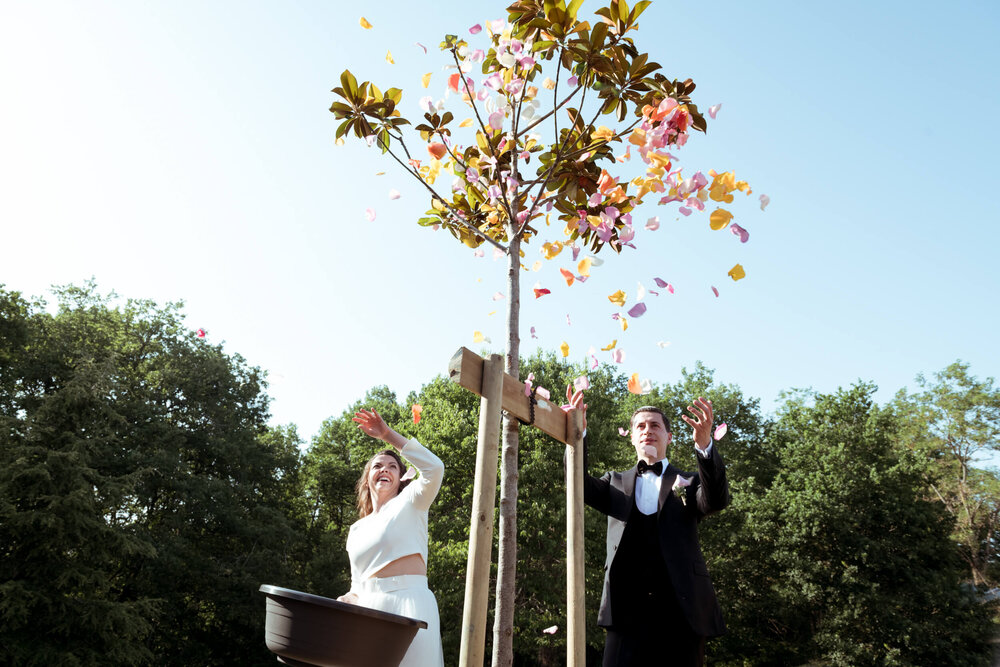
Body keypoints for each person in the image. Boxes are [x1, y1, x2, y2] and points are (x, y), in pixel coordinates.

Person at [573, 394, 729, 667]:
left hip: (682, 613)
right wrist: (578, 432)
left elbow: (716, 500)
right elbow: (577, 485)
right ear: (632, 437)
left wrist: (705, 445)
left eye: (655, 426)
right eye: (641, 426)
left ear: (669, 437)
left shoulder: (690, 483)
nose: (648, 431)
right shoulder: (614, 482)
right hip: (624, 613)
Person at [337, 408, 445, 667]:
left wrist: (387, 435)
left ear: (400, 478)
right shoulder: (356, 530)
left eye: (392, 466)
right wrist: (347, 599)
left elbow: (434, 468)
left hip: (410, 602)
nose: (385, 469)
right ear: (367, 480)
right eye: (377, 466)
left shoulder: (412, 501)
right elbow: (357, 585)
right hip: (369, 611)